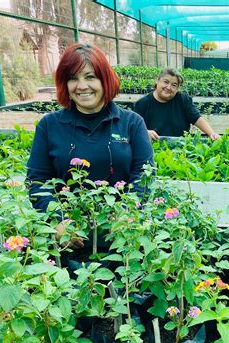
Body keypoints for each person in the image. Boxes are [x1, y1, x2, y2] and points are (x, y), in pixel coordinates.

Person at [27, 43, 153, 248]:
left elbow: (144, 175)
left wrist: (126, 214)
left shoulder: (132, 123)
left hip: (121, 239)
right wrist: (59, 222)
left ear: (105, 80)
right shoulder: (49, 125)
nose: (82, 86)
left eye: (90, 77)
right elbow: (36, 181)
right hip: (66, 241)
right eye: (73, 78)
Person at [134, 68, 220, 140]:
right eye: (166, 82)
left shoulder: (182, 99)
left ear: (177, 88)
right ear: (157, 80)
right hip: (154, 148)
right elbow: (135, 129)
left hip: (181, 147)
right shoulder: (142, 104)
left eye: (174, 85)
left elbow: (196, 118)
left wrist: (212, 133)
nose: (168, 87)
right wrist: (145, 133)